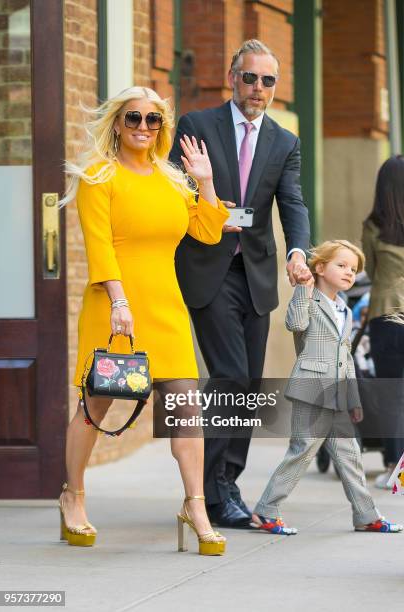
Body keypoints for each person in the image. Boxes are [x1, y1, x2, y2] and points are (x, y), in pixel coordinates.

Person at [58, 86, 230, 555]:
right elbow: (100, 245)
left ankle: (195, 506)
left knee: (186, 410)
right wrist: (118, 301)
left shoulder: (171, 179)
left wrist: (206, 182)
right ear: (117, 123)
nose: (142, 128)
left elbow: (208, 230)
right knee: (96, 407)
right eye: (133, 118)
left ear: (162, 128)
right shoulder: (99, 176)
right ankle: (72, 497)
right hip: (115, 309)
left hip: (166, 310)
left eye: (152, 121)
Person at [170, 39, 311, 528]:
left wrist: (297, 250)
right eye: (249, 77)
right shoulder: (197, 127)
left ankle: (224, 481)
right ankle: (215, 493)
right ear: (233, 78)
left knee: (248, 385)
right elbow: (173, 191)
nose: (257, 88)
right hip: (208, 269)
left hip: (255, 274)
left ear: (275, 87)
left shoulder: (285, 141)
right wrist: (207, 207)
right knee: (229, 376)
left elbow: (292, 202)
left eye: (267, 81)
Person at [251, 240, 403, 534]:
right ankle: (266, 511)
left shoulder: (343, 309)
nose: (349, 273)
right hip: (311, 389)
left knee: (350, 457)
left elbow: (345, 358)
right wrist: (301, 290)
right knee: (302, 451)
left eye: (354, 269)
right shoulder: (308, 299)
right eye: (342, 265)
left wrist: (354, 399)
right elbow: (295, 324)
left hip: (337, 396)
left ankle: (366, 515)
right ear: (319, 268)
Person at [362, 155, 404, 489]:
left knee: (392, 395)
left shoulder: (374, 226)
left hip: (387, 315)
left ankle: (395, 466)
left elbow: (373, 274)